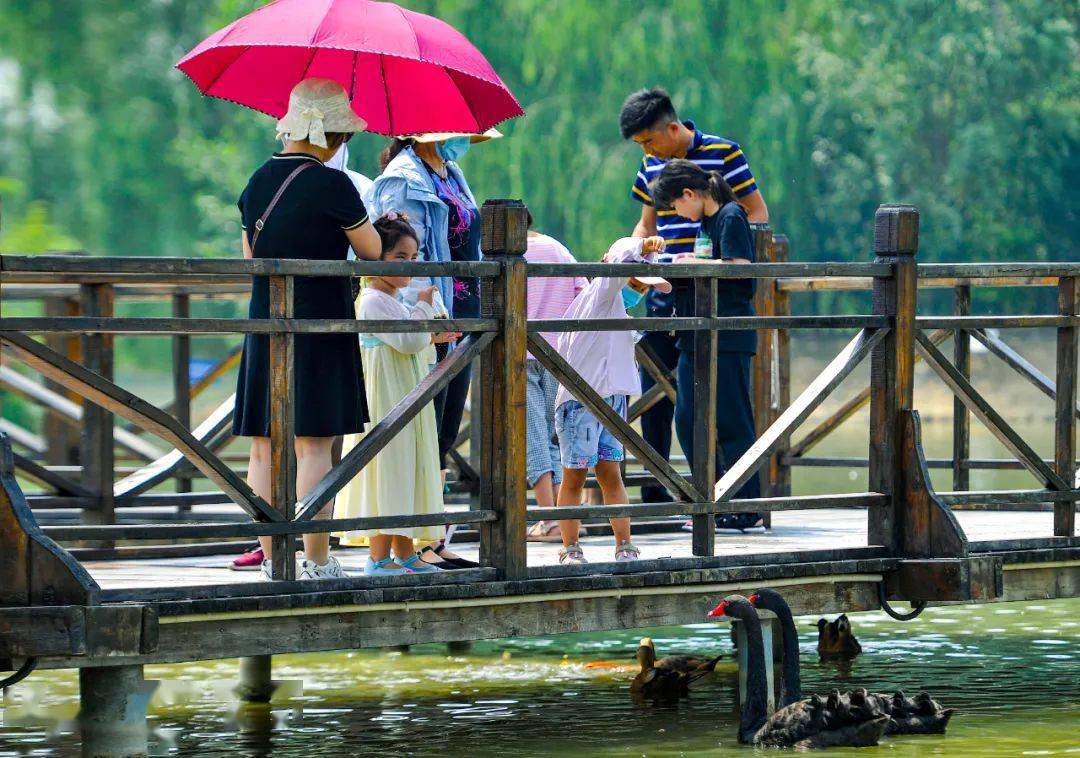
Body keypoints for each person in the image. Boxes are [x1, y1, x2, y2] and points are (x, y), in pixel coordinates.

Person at [233, 78, 381, 580]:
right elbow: (372, 252)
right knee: (314, 444)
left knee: (263, 444)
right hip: (320, 323)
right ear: (331, 135)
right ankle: (316, 560)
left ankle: (273, 559)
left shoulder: (256, 181)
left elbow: (250, 257)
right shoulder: (333, 185)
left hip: (264, 322)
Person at [619, 86, 767, 527]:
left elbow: (756, 213)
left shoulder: (724, 156)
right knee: (658, 395)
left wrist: (718, 255)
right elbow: (646, 224)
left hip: (718, 302)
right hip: (669, 293)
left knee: (724, 408)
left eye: (649, 141)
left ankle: (734, 502)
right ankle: (663, 492)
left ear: (671, 128)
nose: (647, 152)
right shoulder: (649, 166)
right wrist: (634, 252)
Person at [365, 130, 498, 568]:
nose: (465, 137)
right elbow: (402, 256)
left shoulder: (451, 172)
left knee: (441, 433)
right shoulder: (403, 177)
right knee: (423, 430)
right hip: (433, 316)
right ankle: (411, 545)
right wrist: (422, 320)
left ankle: (430, 539)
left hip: (463, 313)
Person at [334, 213, 461, 575]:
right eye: (399, 257)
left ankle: (404, 552)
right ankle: (378, 558)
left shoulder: (395, 301)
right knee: (388, 470)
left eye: (413, 257)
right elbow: (406, 341)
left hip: (405, 393)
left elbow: (414, 343)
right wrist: (424, 306)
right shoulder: (372, 300)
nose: (409, 265)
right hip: (385, 398)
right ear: (376, 259)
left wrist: (431, 335)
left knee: (407, 468)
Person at [652, 159, 763, 530]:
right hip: (696, 333)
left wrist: (696, 262)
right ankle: (711, 498)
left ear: (689, 194)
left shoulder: (731, 216)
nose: (678, 214)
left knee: (732, 420)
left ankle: (746, 506)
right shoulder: (706, 222)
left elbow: (739, 269)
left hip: (727, 333)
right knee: (687, 418)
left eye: (676, 206)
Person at [553, 236, 671, 565]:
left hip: (612, 399)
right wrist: (642, 246)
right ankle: (570, 546)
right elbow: (619, 257)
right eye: (634, 281)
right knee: (574, 477)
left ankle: (624, 544)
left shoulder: (618, 308)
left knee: (611, 474)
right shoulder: (601, 294)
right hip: (580, 402)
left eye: (643, 286)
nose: (638, 289)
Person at [522, 212, 587, 542]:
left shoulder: (504, 254)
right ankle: (565, 517)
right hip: (557, 353)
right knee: (555, 435)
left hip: (520, 354)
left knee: (532, 435)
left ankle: (548, 518)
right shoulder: (558, 249)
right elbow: (582, 292)